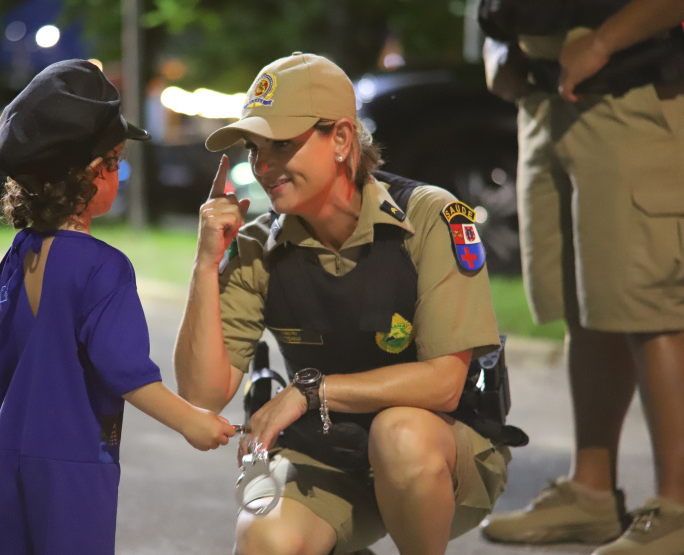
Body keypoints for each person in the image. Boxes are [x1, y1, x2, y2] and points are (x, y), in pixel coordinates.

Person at [173, 52, 513, 555]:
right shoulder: (253, 247)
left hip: (437, 450)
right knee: (265, 540)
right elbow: (203, 396)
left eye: (282, 145)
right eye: (253, 148)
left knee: (399, 435)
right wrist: (204, 266)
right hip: (328, 455)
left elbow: (444, 384)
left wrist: (309, 392)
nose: (263, 167)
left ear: (341, 139)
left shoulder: (432, 217)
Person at [0, 59, 236, 555]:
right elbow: (128, 372)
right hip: (74, 463)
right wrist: (193, 422)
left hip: (7, 455)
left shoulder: (15, 257)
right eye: (114, 160)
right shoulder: (103, 266)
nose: (118, 172)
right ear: (91, 176)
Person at [479, 1, 684, 553]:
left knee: (650, 302)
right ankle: (590, 493)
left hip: (631, 90)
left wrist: (604, 40)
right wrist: (497, 42)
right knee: (583, 301)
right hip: (545, 101)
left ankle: (679, 508)